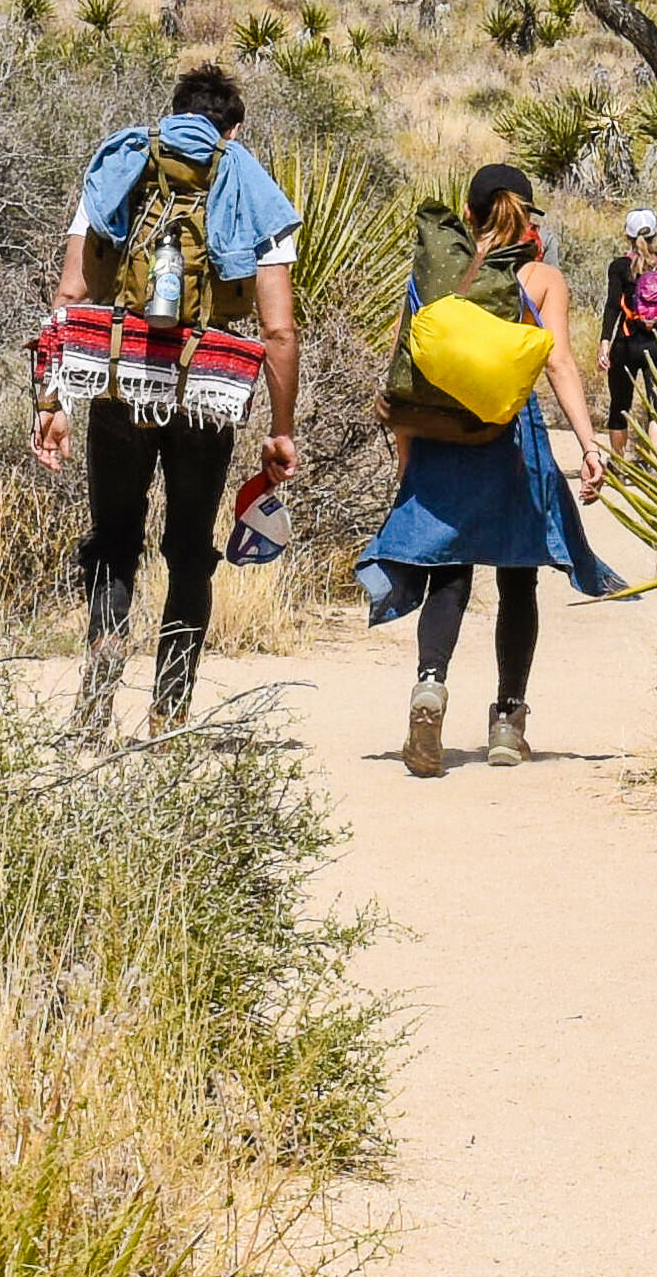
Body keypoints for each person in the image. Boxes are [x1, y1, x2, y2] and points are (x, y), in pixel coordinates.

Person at [42, 62, 300, 740]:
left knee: (113, 538)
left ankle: (101, 668)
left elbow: (70, 294)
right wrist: (280, 429)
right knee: (189, 548)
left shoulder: (124, 165)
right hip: (206, 390)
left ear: (174, 112)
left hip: (121, 378)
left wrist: (53, 402)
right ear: (235, 129)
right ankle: (170, 709)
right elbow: (278, 328)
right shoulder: (248, 182)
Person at [358, 163, 617, 775]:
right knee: (518, 579)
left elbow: (403, 362)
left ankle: (429, 686)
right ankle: (507, 722)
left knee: (449, 573)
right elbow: (558, 365)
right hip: (512, 437)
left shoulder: (436, 271)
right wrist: (588, 444)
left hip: (444, 438)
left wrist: (406, 450)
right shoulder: (542, 276)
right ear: (528, 220)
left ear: (468, 214)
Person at [599, 204, 657, 435]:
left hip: (626, 343)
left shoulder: (619, 266)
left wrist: (605, 342)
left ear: (627, 235)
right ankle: (655, 470)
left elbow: (612, 306)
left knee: (619, 406)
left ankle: (618, 465)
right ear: (655, 234)